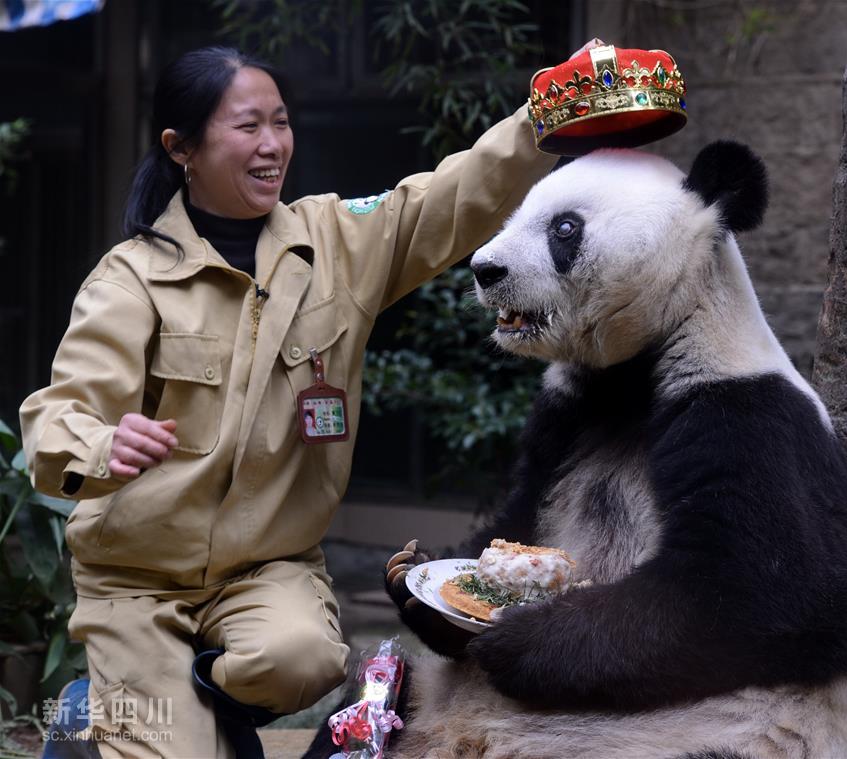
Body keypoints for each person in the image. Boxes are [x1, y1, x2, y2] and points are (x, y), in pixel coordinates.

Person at [20, 41, 574, 758]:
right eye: (247, 126)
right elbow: (55, 416)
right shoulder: (130, 280)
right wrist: (103, 445)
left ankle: (186, 702)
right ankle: (95, 708)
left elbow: (451, 195)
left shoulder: (334, 241)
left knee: (304, 659)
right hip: (138, 577)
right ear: (181, 147)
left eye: (280, 122)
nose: (272, 144)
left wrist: (547, 111)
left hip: (264, 568)